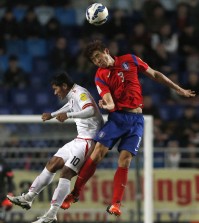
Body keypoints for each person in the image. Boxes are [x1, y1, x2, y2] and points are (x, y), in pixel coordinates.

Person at [61, 40, 196, 216]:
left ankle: (116, 203)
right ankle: (75, 193)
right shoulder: (100, 75)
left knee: (125, 159)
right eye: (93, 60)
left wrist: (178, 89)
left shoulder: (130, 59)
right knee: (98, 152)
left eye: (97, 56)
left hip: (136, 120)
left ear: (106, 51)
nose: (97, 61)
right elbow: (108, 101)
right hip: (117, 118)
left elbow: (154, 74)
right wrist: (107, 105)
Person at [7, 71, 103, 223]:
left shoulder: (80, 93)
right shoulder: (72, 94)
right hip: (79, 139)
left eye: (56, 89)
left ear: (64, 86)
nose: (55, 92)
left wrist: (69, 116)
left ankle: (52, 214)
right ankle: (28, 198)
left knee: (65, 173)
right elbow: (70, 106)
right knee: (52, 163)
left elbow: (90, 109)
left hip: (88, 141)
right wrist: (52, 114)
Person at [0, 156, 14, 222]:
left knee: (8, 205)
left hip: (1, 193)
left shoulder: (3, 163)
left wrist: (10, 192)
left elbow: (10, 180)